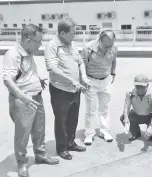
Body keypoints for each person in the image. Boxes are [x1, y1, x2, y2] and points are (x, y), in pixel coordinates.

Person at [2, 24, 59, 177]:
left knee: (39, 130)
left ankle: (40, 155)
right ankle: (22, 163)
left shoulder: (29, 52)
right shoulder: (12, 54)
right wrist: (22, 96)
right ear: (28, 40)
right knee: (23, 134)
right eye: (38, 41)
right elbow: (7, 79)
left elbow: (24, 73)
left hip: (36, 97)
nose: (40, 45)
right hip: (23, 100)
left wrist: (37, 80)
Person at [44, 18, 90, 160]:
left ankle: (71, 143)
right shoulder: (52, 46)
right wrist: (72, 81)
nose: (74, 36)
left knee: (73, 119)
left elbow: (80, 61)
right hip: (60, 90)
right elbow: (53, 69)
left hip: (75, 89)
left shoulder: (71, 44)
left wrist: (84, 77)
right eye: (72, 33)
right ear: (62, 33)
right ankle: (62, 148)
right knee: (61, 120)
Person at [81, 30, 117, 146]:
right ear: (99, 40)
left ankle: (104, 131)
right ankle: (89, 134)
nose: (108, 48)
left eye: (110, 45)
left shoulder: (114, 47)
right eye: (105, 45)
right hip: (91, 81)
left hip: (106, 81)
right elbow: (82, 65)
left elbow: (114, 60)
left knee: (104, 108)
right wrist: (83, 81)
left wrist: (113, 74)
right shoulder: (88, 48)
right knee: (91, 110)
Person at [120, 74, 152, 141]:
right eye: (137, 86)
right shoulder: (129, 93)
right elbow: (126, 108)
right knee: (123, 117)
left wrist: (151, 126)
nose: (139, 88)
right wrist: (126, 118)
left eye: (142, 86)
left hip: (149, 115)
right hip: (136, 114)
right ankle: (136, 133)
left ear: (147, 85)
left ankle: (150, 133)